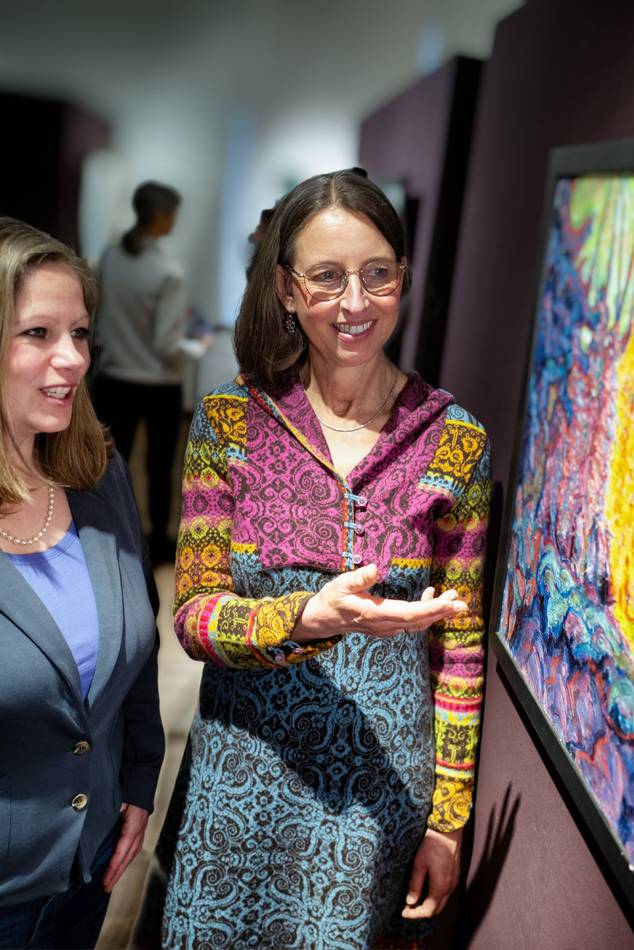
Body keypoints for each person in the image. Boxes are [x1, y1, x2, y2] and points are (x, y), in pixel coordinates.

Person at [157, 168, 491, 947]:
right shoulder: (230, 421)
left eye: (378, 275)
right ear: (286, 287)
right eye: (328, 277)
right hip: (242, 777)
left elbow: (462, 648)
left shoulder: (455, 440)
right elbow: (194, 617)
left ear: (403, 278)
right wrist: (304, 617)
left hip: (376, 793)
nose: (354, 303)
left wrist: (447, 822)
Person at [0, 217, 164, 949]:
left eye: (81, 333)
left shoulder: (98, 476)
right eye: (37, 332)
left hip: (88, 867)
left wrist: (136, 783)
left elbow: (139, 647)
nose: (71, 358)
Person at [93, 181, 208, 563]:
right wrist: (198, 347)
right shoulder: (167, 270)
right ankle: (158, 544)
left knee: (112, 465)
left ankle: (110, 536)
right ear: (160, 216)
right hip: (158, 385)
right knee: (160, 470)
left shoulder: (110, 257)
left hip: (112, 381)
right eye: (173, 213)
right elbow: (166, 345)